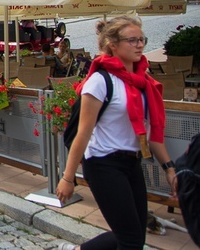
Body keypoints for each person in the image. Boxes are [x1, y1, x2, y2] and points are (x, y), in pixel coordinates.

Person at [56, 15, 176, 250]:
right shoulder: (100, 82)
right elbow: (83, 133)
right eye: (132, 40)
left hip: (132, 162)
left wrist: (170, 169)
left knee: (134, 234)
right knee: (131, 241)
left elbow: (153, 134)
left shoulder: (143, 82)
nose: (140, 45)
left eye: (142, 39)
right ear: (113, 45)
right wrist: (68, 178)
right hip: (103, 164)